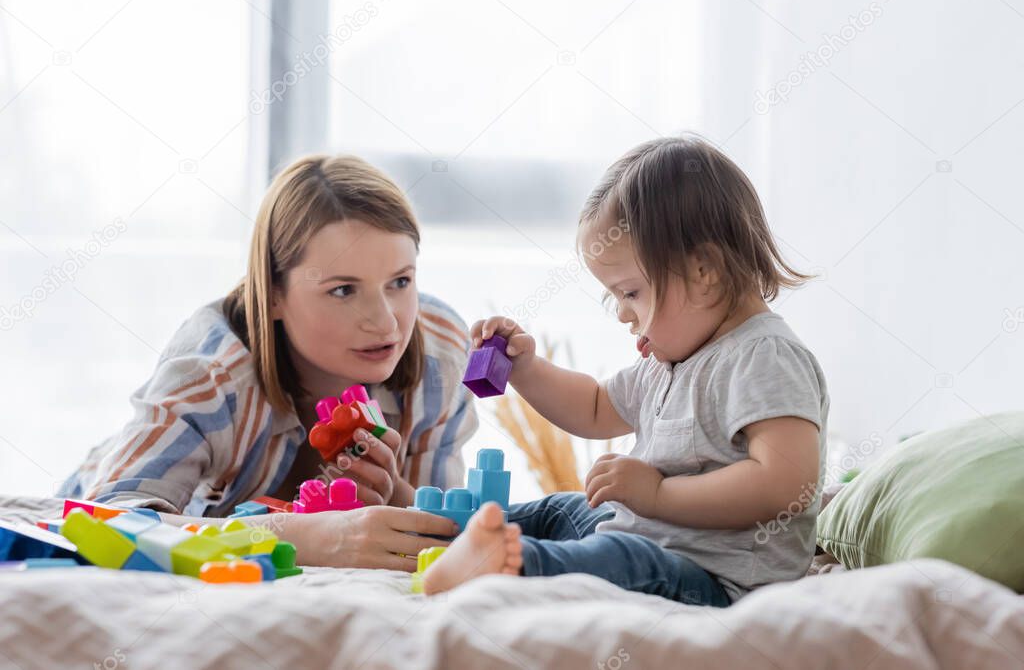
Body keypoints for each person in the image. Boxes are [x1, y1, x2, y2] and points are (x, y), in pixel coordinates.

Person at [423, 136, 830, 605]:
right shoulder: (675, 357)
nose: (621, 313)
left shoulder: (765, 357)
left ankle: (506, 565)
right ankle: (444, 540)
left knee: (618, 558)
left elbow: (787, 483)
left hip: (711, 581)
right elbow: (595, 408)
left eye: (631, 293)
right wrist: (526, 369)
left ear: (704, 270)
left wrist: (658, 495)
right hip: (647, 539)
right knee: (566, 509)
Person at [58, 155, 477, 570]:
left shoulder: (439, 357)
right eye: (344, 290)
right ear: (273, 293)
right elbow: (111, 522)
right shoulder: (211, 372)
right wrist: (300, 537)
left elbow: (439, 540)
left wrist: (392, 493)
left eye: (400, 282)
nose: (387, 321)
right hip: (93, 490)